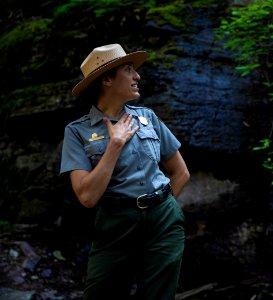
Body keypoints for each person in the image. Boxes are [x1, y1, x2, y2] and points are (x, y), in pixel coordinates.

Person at [60, 43, 190, 300]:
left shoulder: (148, 118)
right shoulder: (76, 132)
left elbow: (180, 172)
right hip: (115, 225)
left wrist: (161, 209)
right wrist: (115, 146)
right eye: (129, 70)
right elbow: (86, 197)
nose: (137, 76)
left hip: (163, 220)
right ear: (107, 79)